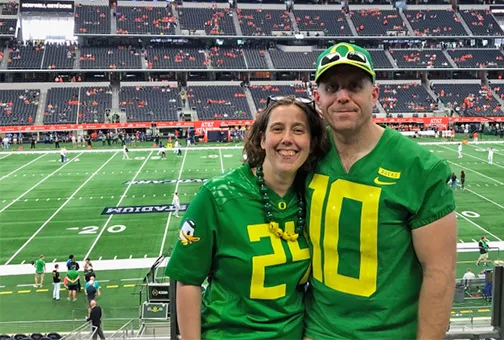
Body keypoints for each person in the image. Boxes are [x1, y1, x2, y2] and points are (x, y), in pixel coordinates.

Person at [306, 43, 457, 340]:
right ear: (317, 98)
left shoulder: (421, 168)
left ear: (374, 94)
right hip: (318, 330)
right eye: (332, 87)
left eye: (354, 86)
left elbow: (439, 274)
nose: (343, 96)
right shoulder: (305, 154)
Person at [165, 96, 329, 339]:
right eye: (277, 129)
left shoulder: (313, 195)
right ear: (262, 139)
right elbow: (188, 279)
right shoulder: (217, 195)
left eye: (298, 130)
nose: (287, 139)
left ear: (312, 142)